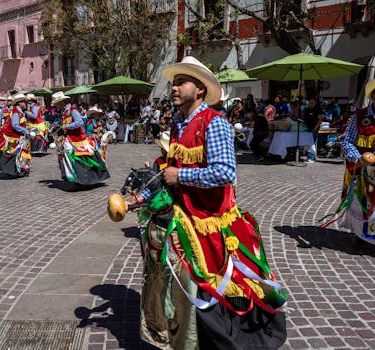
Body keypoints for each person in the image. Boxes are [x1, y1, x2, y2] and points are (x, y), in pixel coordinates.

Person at [135, 56, 287, 349]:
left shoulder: (214, 123)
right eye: (174, 83)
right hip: (185, 215)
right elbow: (175, 165)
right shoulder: (179, 122)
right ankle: (181, 333)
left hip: (211, 221)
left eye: (181, 83)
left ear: (200, 90)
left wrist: (180, 174)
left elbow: (225, 172)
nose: (174, 88)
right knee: (178, 280)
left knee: (210, 284)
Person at [328, 74, 375, 259]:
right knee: (364, 205)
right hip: (366, 171)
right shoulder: (359, 116)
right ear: (372, 96)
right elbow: (348, 142)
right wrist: (358, 158)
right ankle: (362, 236)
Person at [52, 91, 109, 186]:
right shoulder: (64, 112)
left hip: (78, 139)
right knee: (73, 159)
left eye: (56, 104)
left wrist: (66, 126)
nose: (56, 107)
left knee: (82, 159)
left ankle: (85, 179)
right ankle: (76, 179)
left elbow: (79, 122)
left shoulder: (73, 110)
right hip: (70, 139)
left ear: (61, 102)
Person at [0, 93, 31, 178]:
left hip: (16, 136)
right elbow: (15, 125)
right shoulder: (16, 112)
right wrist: (25, 130)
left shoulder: (20, 112)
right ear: (19, 103)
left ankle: (18, 170)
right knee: (11, 154)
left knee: (17, 154)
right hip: (11, 137)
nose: (26, 104)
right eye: (24, 102)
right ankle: (11, 171)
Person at [303, 96, 325, 163]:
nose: (311, 104)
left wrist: (316, 127)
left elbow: (320, 119)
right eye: (310, 103)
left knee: (312, 142)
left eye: (312, 103)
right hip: (307, 128)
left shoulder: (318, 109)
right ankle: (310, 156)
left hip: (314, 128)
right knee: (308, 142)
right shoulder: (307, 109)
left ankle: (311, 158)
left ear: (315, 102)